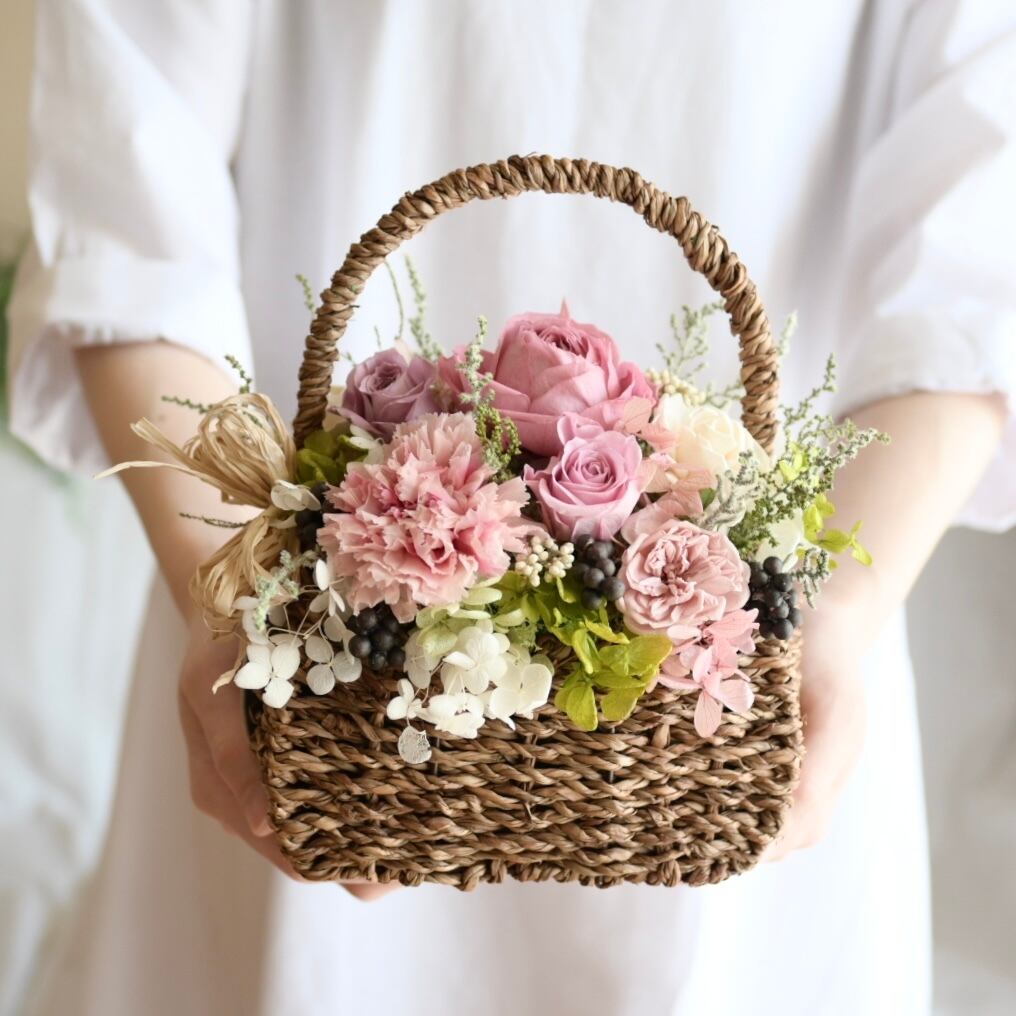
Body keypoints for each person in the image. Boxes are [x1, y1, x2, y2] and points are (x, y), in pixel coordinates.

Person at [8, 2, 1015, 1014]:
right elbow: (130, 219)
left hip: (738, 686)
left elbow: (976, 273)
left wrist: (828, 614)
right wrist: (230, 596)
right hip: (311, 666)